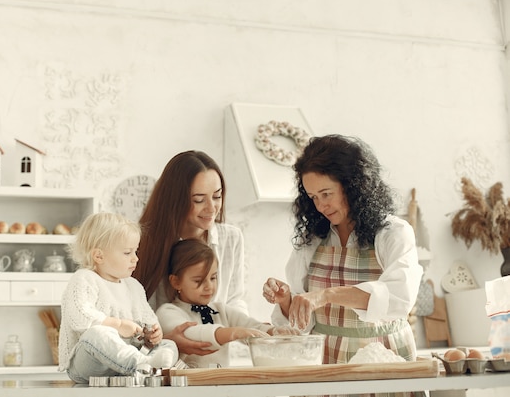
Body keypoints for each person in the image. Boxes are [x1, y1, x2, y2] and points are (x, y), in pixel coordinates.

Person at [263, 134, 423, 366]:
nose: (320, 205)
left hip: (383, 358)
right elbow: (302, 323)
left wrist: (326, 295)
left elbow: (398, 299)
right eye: (313, 197)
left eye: (326, 194)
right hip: (325, 359)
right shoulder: (313, 240)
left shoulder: (393, 233)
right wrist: (288, 300)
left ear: (353, 185)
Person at [134, 150, 247, 355]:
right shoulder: (142, 243)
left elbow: (234, 299)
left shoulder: (231, 238)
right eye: (198, 200)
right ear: (175, 199)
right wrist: (165, 341)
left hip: (215, 360)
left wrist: (241, 330)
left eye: (217, 196)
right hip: (158, 364)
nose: (212, 208)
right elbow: (128, 320)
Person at [58, 212, 178, 383]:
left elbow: (148, 320)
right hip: (89, 363)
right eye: (127, 252)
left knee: (168, 344)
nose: (135, 258)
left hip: (126, 359)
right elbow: (79, 318)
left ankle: (147, 366)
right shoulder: (84, 278)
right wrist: (119, 325)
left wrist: (153, 333)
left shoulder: (133, 286)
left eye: (135, 251)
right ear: (99, 256)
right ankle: (145, 366)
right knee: (98, 333)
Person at [157, 239, 292, 368]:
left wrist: (273, 332)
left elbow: (251, 326)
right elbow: (193, 334)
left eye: (213, 278)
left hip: (220, 386)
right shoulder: (168, 312)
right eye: (198, 281)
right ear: (176, 282)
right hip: (186, 389)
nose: (209, 286)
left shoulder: (221, 310)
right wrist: (234, 333)